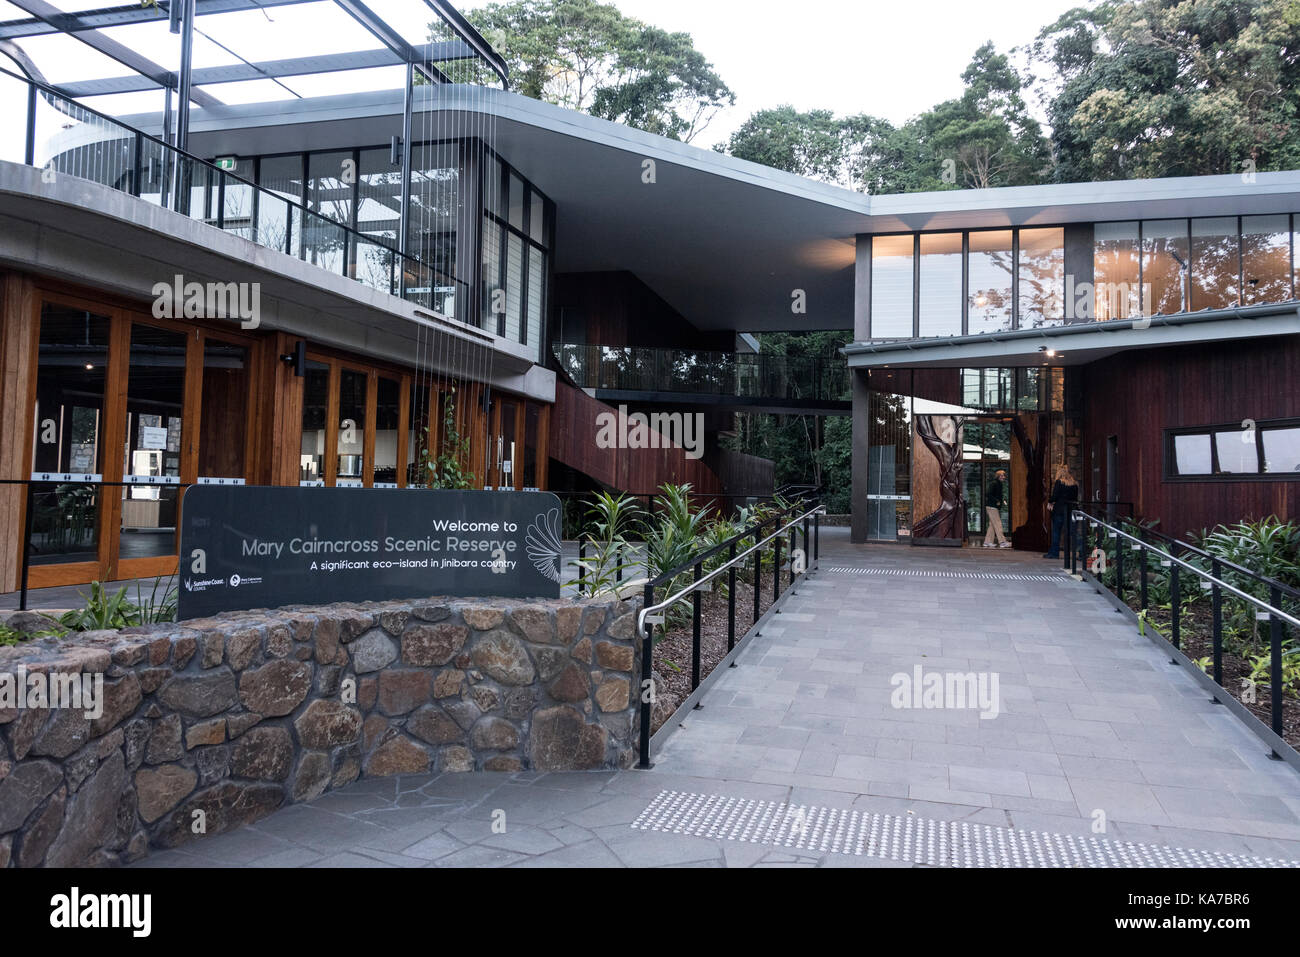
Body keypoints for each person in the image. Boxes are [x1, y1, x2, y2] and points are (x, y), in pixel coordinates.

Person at [1044, 464, 1079, 558]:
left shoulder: (1059, 482)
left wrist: (1050, 502)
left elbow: (1055, 496)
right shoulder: (1074, 483)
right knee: (1074, 532)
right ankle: (1081, 553)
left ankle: (1054, 553)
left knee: (1056, 532)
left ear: (1059, 473)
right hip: (1072, 510)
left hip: (1060, 510)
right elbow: (1075, 498)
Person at [982, 469, 1011, 548]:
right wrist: (997, 501)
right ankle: (1002, 542)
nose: (1003, 477)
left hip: (993, 507)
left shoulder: (999, 484)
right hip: (992, 507)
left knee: (992, 525)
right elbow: (988, 494)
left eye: (1004, 475)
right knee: (998, 524)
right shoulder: (994, 483)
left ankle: (987, 542)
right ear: (998, 476)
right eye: (1001, 475)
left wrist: (1002, 501)